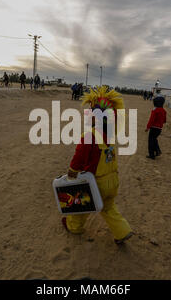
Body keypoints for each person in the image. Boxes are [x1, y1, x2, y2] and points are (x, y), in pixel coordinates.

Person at [62, 86, 133, 245]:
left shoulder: (90, 136)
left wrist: (72, 172)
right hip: (112, 181)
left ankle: (74, 227)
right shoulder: (110, 135)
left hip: (96, 183)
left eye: (90, 111)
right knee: (108, 208)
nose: (88, 113)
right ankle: (123, 231)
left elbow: (79, 158)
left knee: (80, 206)